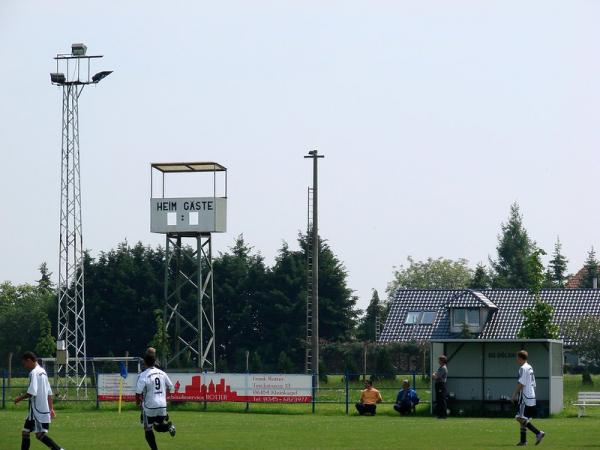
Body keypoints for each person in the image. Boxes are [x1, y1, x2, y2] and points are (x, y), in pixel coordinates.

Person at [14, 351, 65, 450]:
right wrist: (51, 409)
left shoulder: (33, 373)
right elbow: (49, 392)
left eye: (24, 364)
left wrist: (18, 399)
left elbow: (31, 392)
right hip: (40, 410)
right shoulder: (43, 372)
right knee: (27, 432)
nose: (25, 366)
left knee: (38, 435)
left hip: (36, 411)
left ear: (29, 361)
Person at [136, 353, 176, 450]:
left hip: (150, 407)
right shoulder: (162, 373)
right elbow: (171, 387)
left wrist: (138, 402)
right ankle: (169, 427)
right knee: (158, 427)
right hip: (162, 406)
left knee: (148, 429)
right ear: (155, 362)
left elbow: (138, 392)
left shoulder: (143, 374)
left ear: (145, 363)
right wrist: (165, 399)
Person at [512, 350, 545, 446]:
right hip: (531, 396)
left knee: (519, 418)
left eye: (517, 357)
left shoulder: (523, 368)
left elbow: (521, 383)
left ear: (520, 358)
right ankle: (523, 441)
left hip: (524, 397)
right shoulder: (530, 367)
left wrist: (514, 395)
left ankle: (538, 433)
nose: (516, 359)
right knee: (523, 418)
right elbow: (533, 383)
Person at [432, 354, 448, 419]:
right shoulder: (440, 367)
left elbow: (436, 377)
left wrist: (433, 374)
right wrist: (434, 375)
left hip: (441, 384)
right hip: (439, 384)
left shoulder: (443, 368)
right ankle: (440, 414)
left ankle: (443, 415)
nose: (438, 361)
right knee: (439, 399)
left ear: (442, 361)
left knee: (441, 400)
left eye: (439, 360)